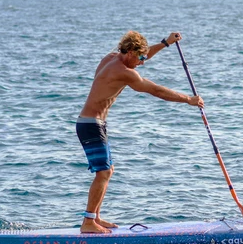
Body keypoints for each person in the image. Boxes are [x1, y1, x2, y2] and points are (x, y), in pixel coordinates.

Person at [76, 31, 204, 233]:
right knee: (103, 173)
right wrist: (188, 99)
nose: (143, 62)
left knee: (107, 171)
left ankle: (96, 217)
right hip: (91, 125)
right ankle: (88, 222)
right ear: (129, 53)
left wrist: (165, 43)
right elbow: (156, 91)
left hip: (93, 123)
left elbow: (144, 54)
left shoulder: (111, 58)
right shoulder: (125, 72)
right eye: (141, 58)